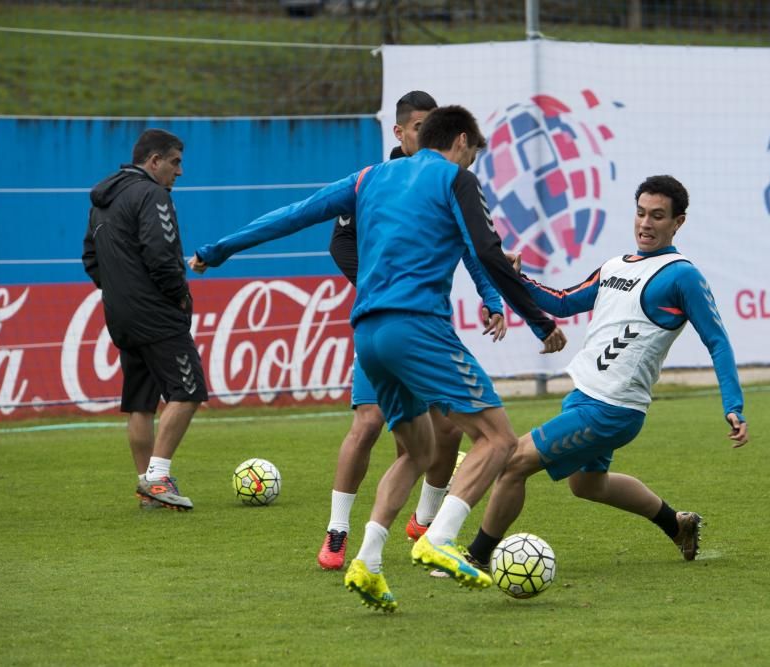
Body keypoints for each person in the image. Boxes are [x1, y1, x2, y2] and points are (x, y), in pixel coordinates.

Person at [189, 105, 567, 611]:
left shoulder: (370, 176)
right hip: (418, 326)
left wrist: (218, 250)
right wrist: (541, 321)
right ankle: (440, 536)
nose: (472, 165)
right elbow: (487, 252)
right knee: (497, 439)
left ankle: (367, 560)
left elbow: (294, 215)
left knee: (418, 451)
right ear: (460, 142)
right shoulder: (456, 179)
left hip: (368, 335)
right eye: (473, 155)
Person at [464, 175, 750, 570]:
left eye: (657, 216)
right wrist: (513, 277)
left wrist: (733, 405)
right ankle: (676, 523)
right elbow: (562, 303)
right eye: (640, 213)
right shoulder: (615, 265)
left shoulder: (682, 275)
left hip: (613, 408)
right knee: (587, 485)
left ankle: (475, 557)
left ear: (677, 222)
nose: (645, 224)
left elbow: (717, 341)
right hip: (584, 394)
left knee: (513, 462)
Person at [320, 90, 508, 571]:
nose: (424, 136)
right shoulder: (375, 180)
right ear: (400, 132)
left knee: (439, 434)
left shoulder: (444, 180)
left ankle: (420, 526)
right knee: (367, 425)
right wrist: (380, 283)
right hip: (389, 318)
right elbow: (340, 242)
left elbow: (471, 247)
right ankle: (338, 531)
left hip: (407, 322)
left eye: (431, 127)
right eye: (416, 127)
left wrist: (492, 297)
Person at [82, 128, 207, 511]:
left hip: (120, 315)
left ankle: (148, 487)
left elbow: (90, 257)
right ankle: (156, 479)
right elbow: (161, 253)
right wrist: (180, 296)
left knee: (141, 403)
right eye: (175, 162)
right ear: (154, 162)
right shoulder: (152, 194)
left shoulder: (103, 201)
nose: (179, 172)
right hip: (156, 315)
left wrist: (120, 290)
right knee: (189, 391)